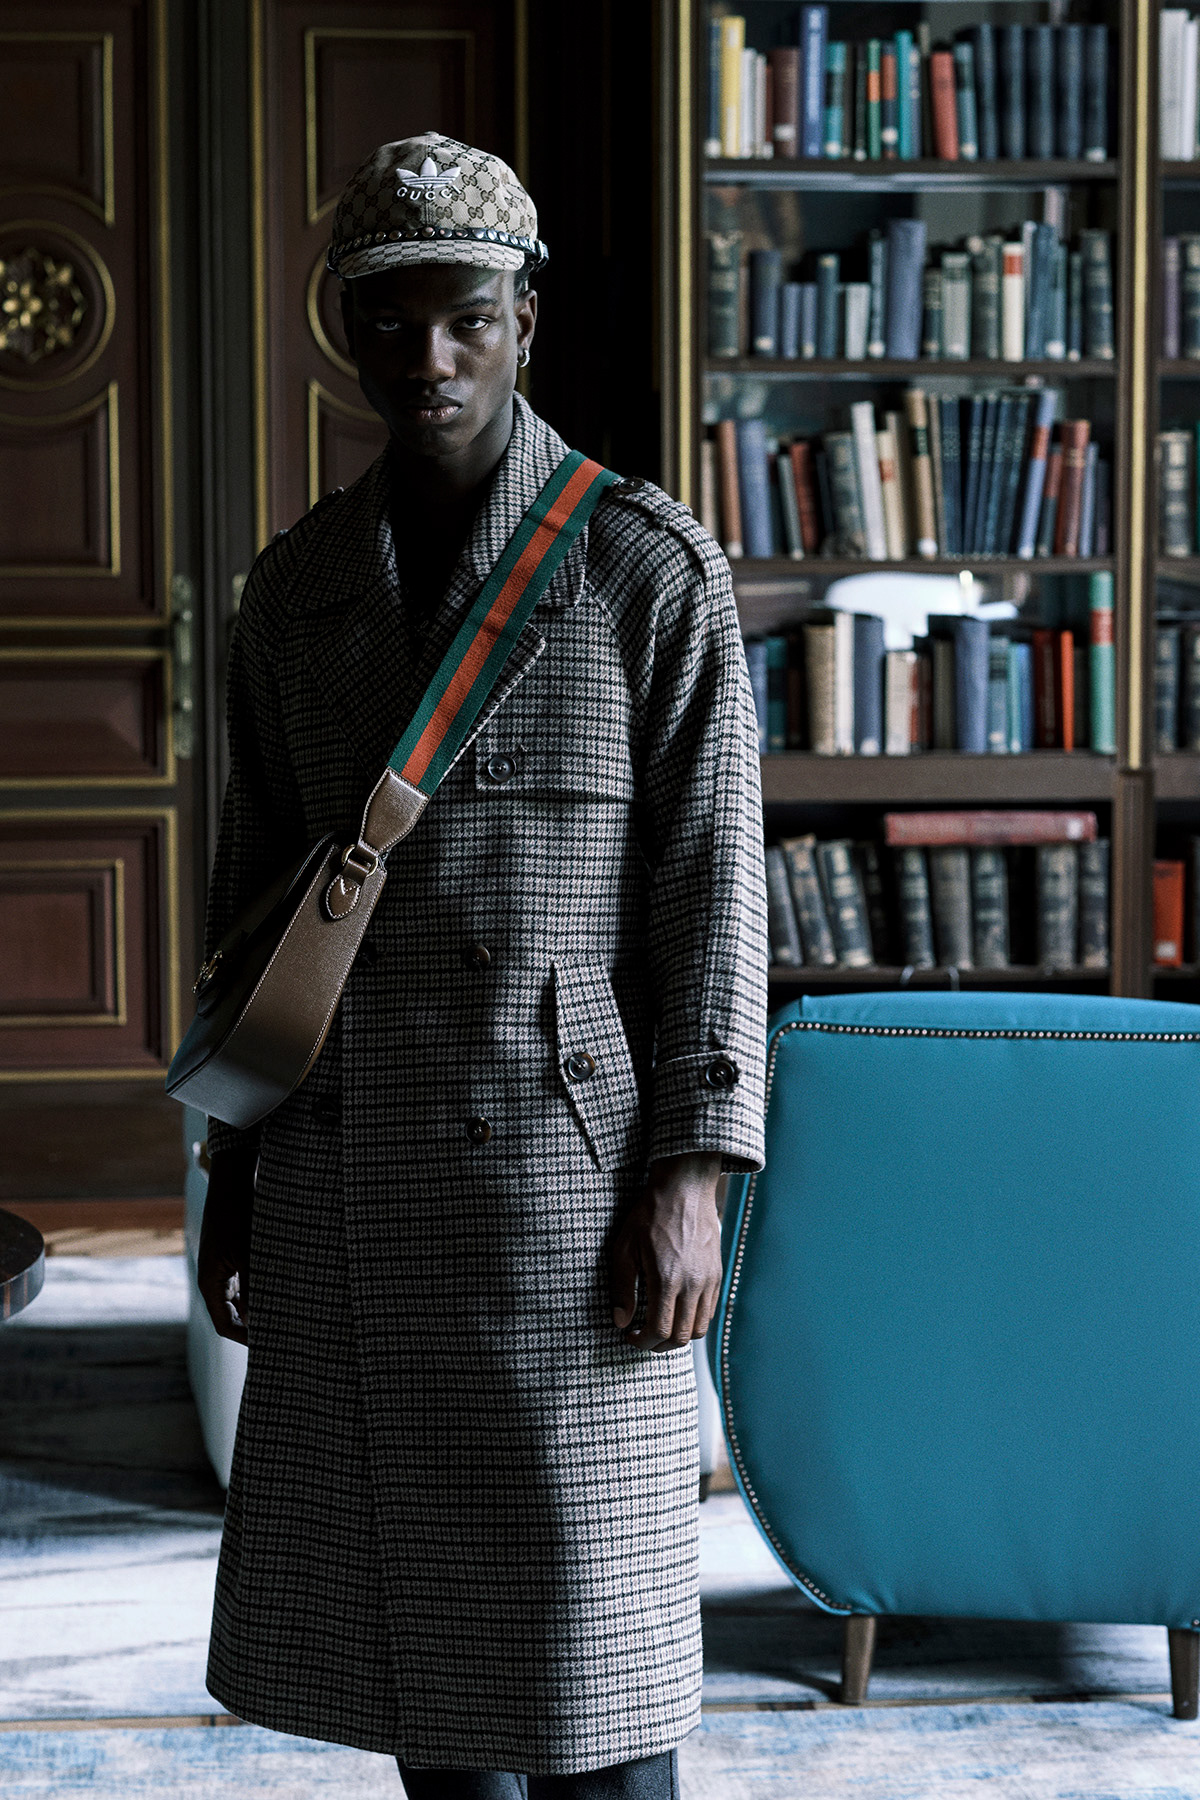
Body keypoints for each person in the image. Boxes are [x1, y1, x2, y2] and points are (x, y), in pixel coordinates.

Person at [196, 132, 767, 1800]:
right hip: (349, 1184)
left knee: (600, 1686)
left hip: (569, 1202)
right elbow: (251, 923)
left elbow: (712, 894)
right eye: (387, 321)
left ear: (525, 317)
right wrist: (235, 1173)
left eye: (463, 318)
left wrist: (693, 1178)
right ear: (345, 328)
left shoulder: (644, 566)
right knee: (429, 1690)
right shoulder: (296, 592)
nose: (426, 358)